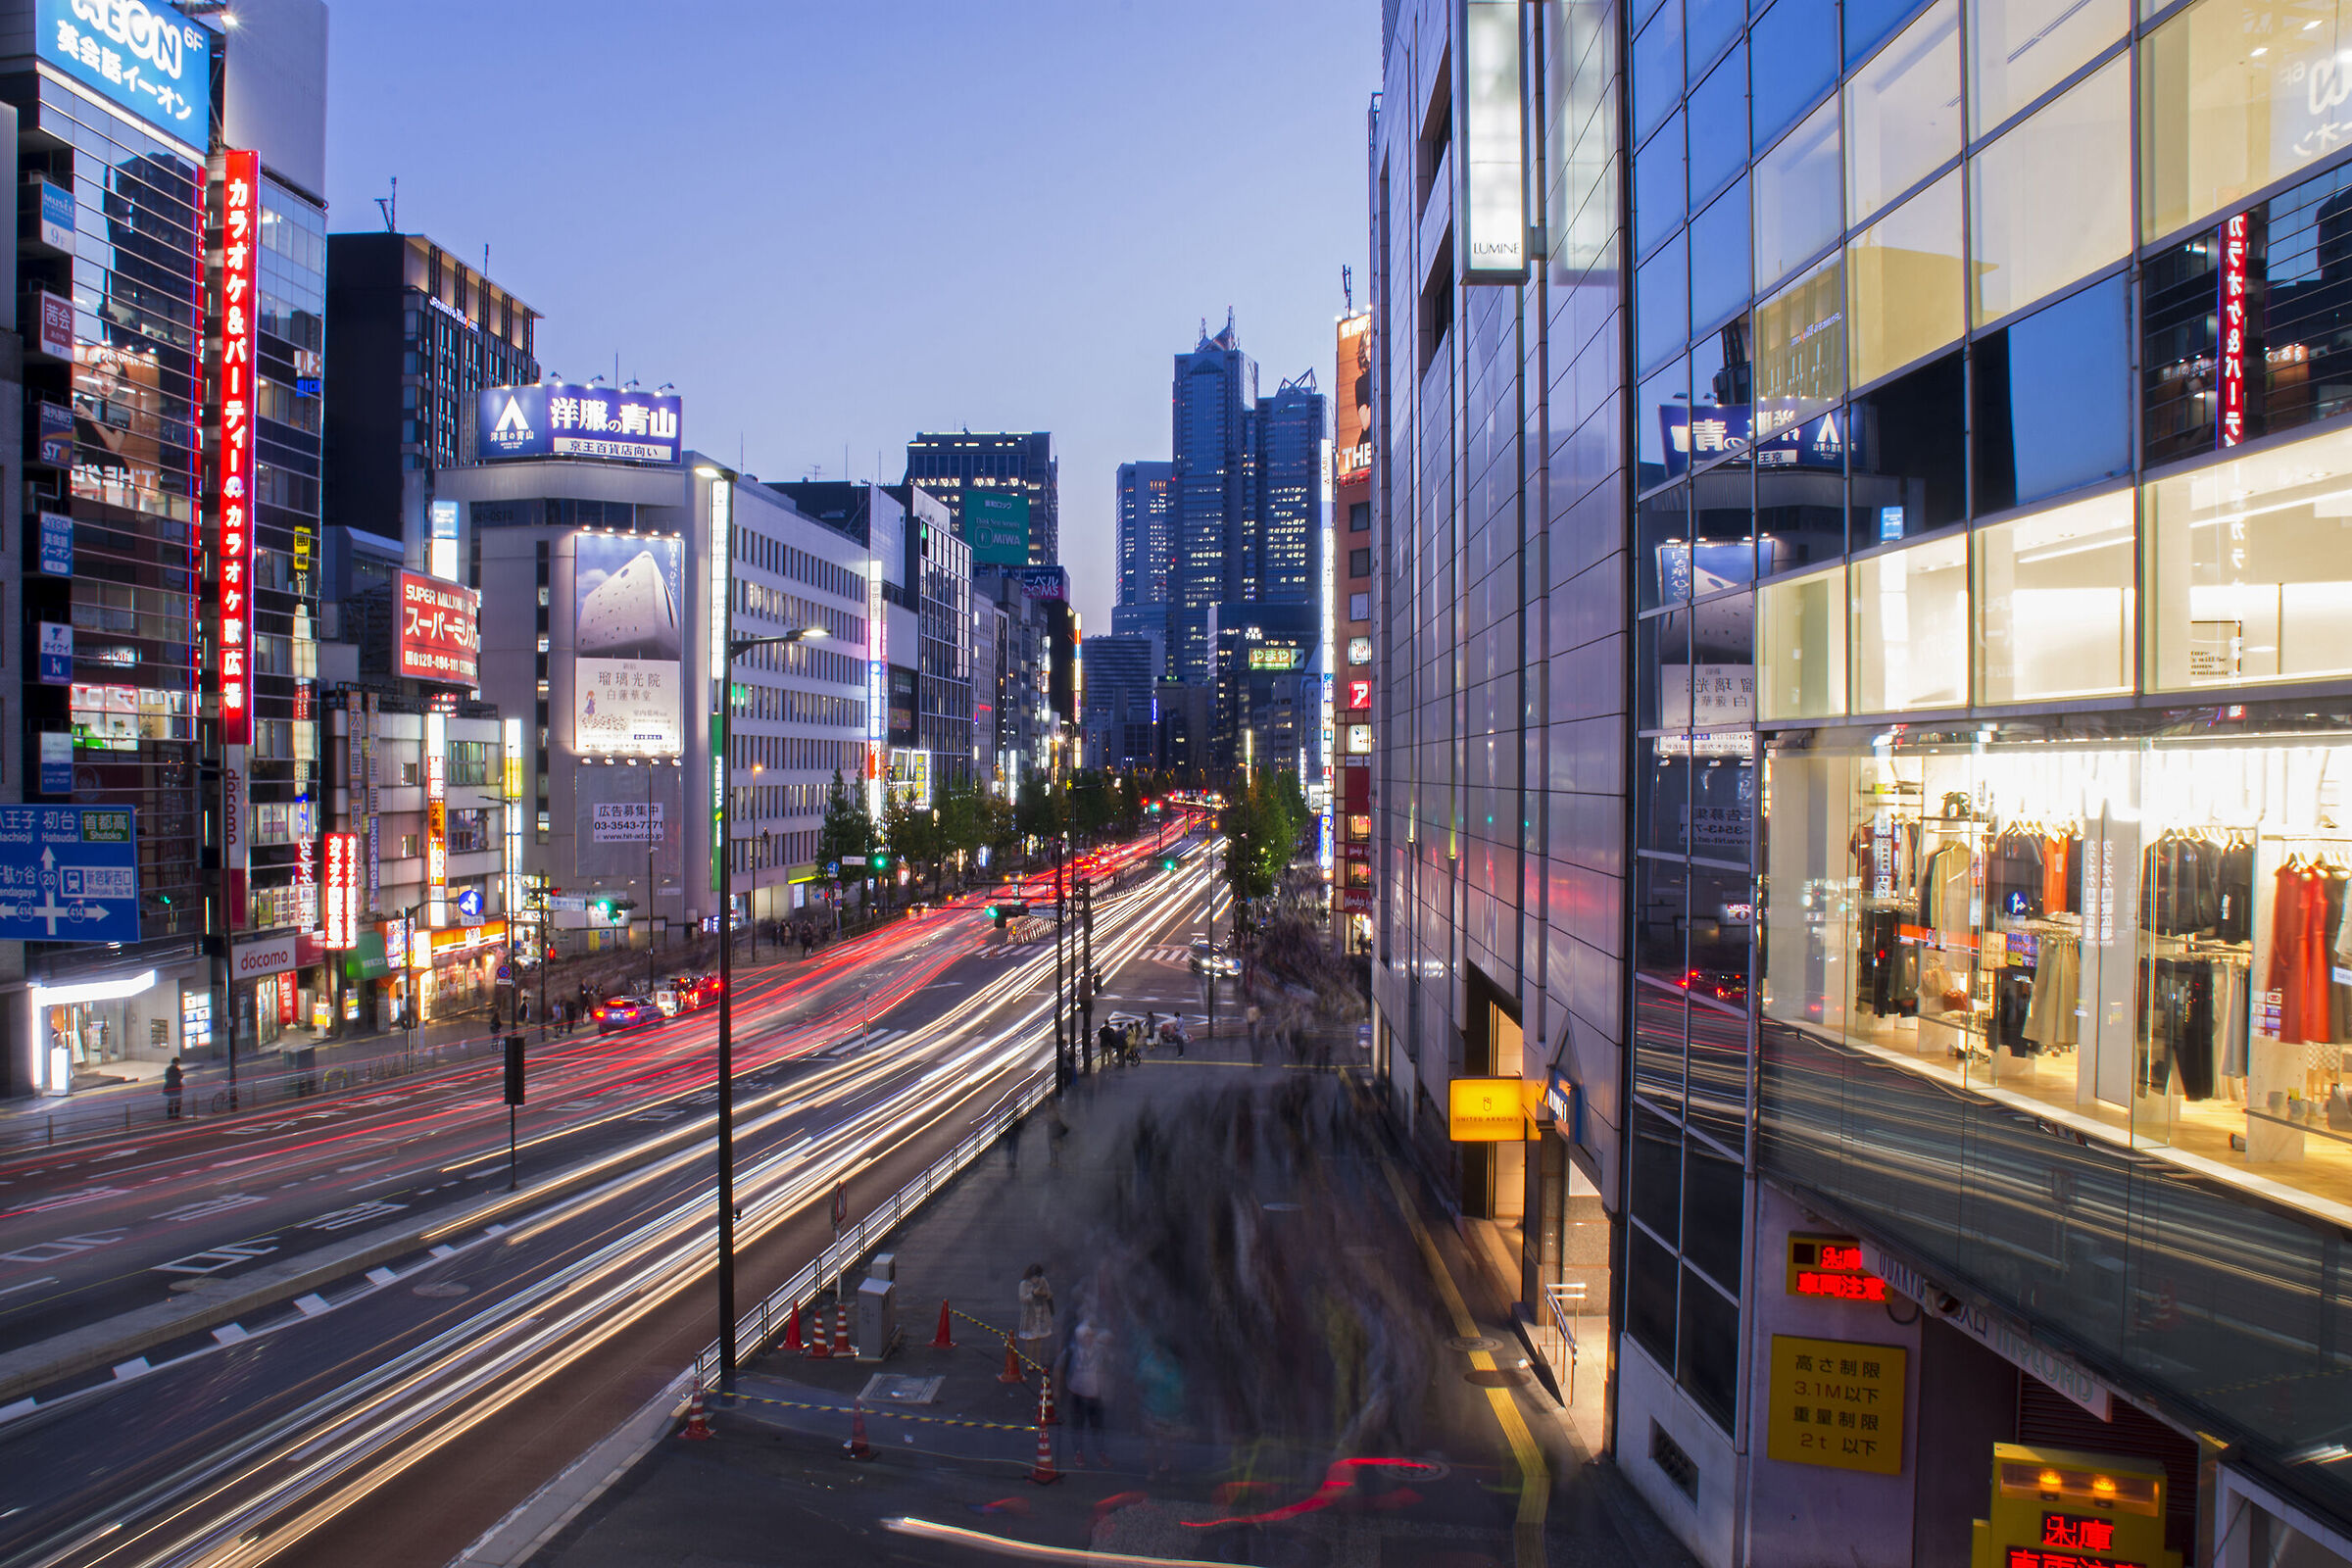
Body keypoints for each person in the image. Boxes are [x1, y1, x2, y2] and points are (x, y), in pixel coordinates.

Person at [1064, 1320, 1113, 1467]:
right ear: (1080, 1338)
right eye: (1086, 1336)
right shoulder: (1071, 1351)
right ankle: (1078, 1453)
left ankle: (1101, 1453)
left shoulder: (1100, 1351)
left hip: (1095, 1395)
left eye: (1091, 1335)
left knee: (1097, 1427)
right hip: (1077, 1394)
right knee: (1078, 1426)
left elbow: (1109, 1368)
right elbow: (1060, 1369)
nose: (1089, 1338)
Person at [1017, 1263, 1055, 1373]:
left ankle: (1037, 1360)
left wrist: (1045, 1293)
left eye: (1038, 1277)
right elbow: (1023, 1299)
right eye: (1034, 1277)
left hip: (1041, 1313)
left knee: (1038, 1339)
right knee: (1030, 1340)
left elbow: (1049, 1294)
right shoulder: (1024, 1284)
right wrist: (1033, 1293)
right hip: (1030, 1315)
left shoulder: (1043, 1281)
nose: (1036, 1280)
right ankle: (1029, 1361)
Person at [163, 1056, 184, 1120]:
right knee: (178, 1101)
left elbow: (166, 1077)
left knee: (170, 1101)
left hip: (169, 1087)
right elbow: (179, 1077)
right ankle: (177, 1115)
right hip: (176, 1087)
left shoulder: (168, 1069)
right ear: (177, 1062)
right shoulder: (177, 1069)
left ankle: (170, 1115)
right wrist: (181, 1076)